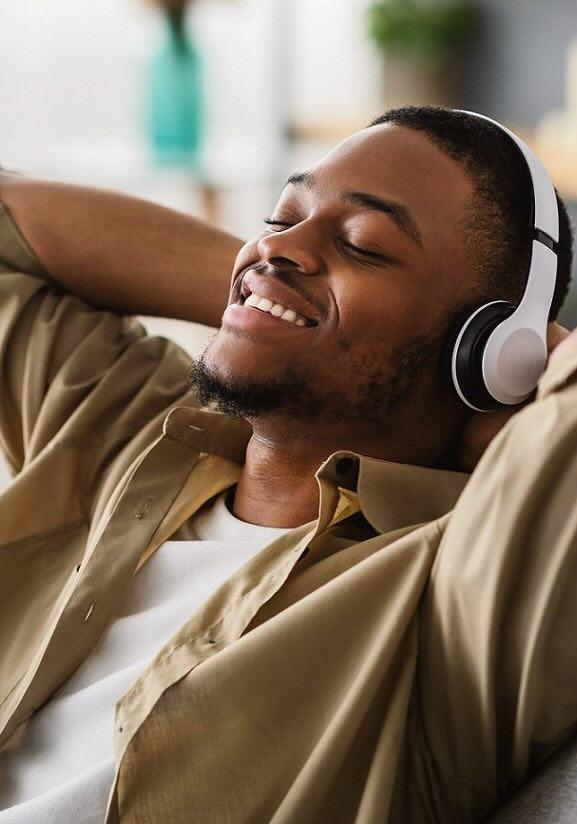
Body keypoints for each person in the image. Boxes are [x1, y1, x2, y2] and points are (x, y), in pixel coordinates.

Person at [0, 105, 575, 823]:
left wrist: (525, 364)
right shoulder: (126, 432)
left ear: (488, 348)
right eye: (278, 217)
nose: (276, 245)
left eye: (365, 243)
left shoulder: (452, 597)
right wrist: (270, 287)